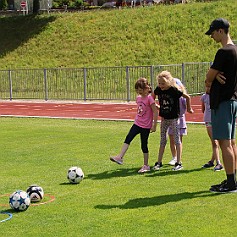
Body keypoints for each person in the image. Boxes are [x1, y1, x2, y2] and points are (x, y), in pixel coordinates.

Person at [205, 18, 237, 193]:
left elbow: (208, 78)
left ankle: (231, 183)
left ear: (220, 31)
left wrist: (214, 76)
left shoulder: (224, 52)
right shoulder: (236, 50)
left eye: (212, 32)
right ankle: (233, 179)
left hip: (223, 101)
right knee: (231, 142)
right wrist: (216, 75)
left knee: (225, 143)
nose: (211, 36)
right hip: (233, 100)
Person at [110, 77, 158, 173]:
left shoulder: (149, 98)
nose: (139, 92)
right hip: (137, 123)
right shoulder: (138, 98)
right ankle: (120, 157)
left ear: (147, 88)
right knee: (128, 138)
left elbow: (155, 112)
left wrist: (154, 125)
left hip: (145, 126)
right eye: (138, 90)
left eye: (141, 90)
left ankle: (146, 165)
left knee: (144, 145)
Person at [152, 71, 193, 171]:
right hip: (164, 118)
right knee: (162, 140)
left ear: (168, 82)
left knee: (176, 139)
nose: (161, 86)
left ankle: (178, 162)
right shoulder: (159, 89)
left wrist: (189, 108)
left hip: (174, 118)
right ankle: (159, 162)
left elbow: (187, 97)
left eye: (163, 83)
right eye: (159, 83)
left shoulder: (174, 90)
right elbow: (153, 95)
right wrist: (154, 105)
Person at [201, 86, 223, 171]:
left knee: (216, 142)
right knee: (214, 141)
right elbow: (203, 109)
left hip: (216, 120)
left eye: (210, 86)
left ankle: (218, 162)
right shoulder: (204, 97)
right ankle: (214, 161)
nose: (208, 88)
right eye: (206, 86)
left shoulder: (218, 95)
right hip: (208, 121)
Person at [167, 78, 188, 166]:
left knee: (178, 140)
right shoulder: (169, 97)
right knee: (171, 139)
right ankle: (174, 157)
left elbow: (185, 107)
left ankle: (179, 158)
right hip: (171, 120)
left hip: (180, 120)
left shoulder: (182, 98)